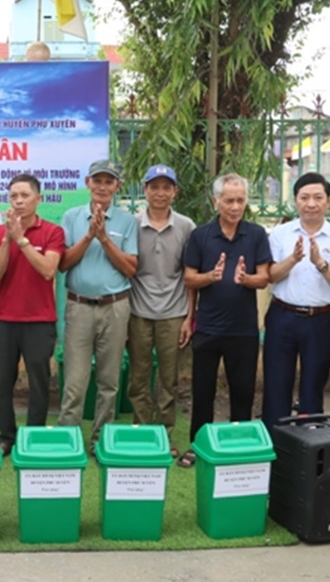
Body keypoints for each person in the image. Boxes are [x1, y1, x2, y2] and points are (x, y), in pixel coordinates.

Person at [180, 173, 271, 467]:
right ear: (215, 201)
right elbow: (189, 278)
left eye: (240, 200)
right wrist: (211, 276)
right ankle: (198, 445)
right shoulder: (201, 236)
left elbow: (264, 278)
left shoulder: (256, 234)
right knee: (202, 391)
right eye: (229, 200)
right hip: (208, 328)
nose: (235, 206)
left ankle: (238, 447)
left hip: (243, 330)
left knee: (242, 392)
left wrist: (245, 279)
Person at [57, 160, 137, 453]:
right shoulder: (72, 217)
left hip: (115, 307)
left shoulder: (128, 221)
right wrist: (89, 235)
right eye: (98, 181)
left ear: (117, 186)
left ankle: (100, 441)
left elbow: (131, 268)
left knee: (109, 380)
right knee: (75, 382)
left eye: (109, 181)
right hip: (79, 307)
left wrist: (103, 238)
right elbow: (63, 263)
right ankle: (69, 441)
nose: (103, 187)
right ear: (87, 183)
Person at [262, 172, 330, 430]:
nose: (310, 203)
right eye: (304, 197)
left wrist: (320, 264)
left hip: (320, 319)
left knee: (313, 383)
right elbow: (270, 276)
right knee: (277, 383)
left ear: (328, 201)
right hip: (282, 316)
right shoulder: (279, 234)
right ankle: (275, 443)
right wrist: (292, 260)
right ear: (295, 201)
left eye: (317, 197)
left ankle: (308, 447)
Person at [0, 173, 65, 456]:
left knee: (39, 381)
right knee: (3, 380)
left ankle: (33, 434)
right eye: (14, 197)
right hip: (5, 319)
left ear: (38, 199)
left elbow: (48, 270)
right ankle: (6, 435)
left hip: (39, 320)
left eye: (25, 196)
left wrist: (22, 240)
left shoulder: (53, 232)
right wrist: (9, 239)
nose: (19, 201)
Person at [127, 165, 196, 457]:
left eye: (166, 187)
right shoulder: (132, 224)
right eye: (154, 187)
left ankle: (165, 435)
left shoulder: (186, 226)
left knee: (168, 379)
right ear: (145, 190)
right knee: (138, 377)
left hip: (174, 313)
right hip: (138, 312)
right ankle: (143, 433)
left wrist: (189, 318)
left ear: (175, 192)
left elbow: (190, 276)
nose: (160, 193)